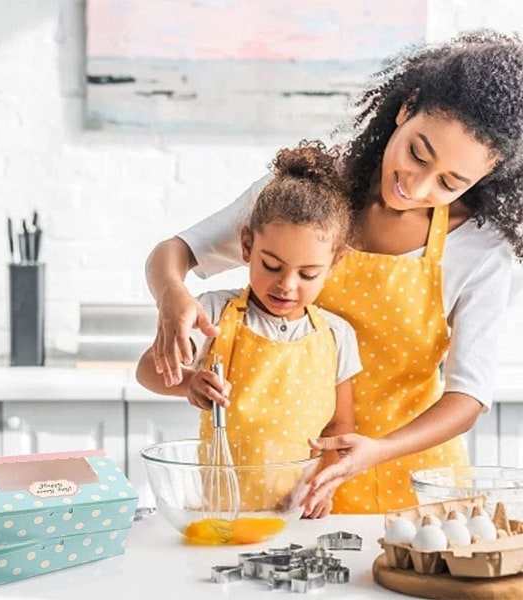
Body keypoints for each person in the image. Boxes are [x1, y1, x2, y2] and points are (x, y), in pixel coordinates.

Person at [143, 30, 523, 515]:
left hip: (415, 483)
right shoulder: (306, 197)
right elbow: (175, 252)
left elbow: (468, 395)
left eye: (450, 182)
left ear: (484, 177)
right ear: (405, 110)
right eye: (417, 154)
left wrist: (378, 449)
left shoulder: (480, 249)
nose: (416, 184)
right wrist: (171, 294)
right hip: (288, 482)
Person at [136, 141, 362, 518]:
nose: (286, 285)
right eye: (271, 265)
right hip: (221, 512)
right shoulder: (215, 314)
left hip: (297, 517)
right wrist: (188, 381)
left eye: (308, 274)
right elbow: (147, 371)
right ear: (246, 246)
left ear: (334, 264)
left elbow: (340, 425)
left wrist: (325, 483)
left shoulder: (338, 336)